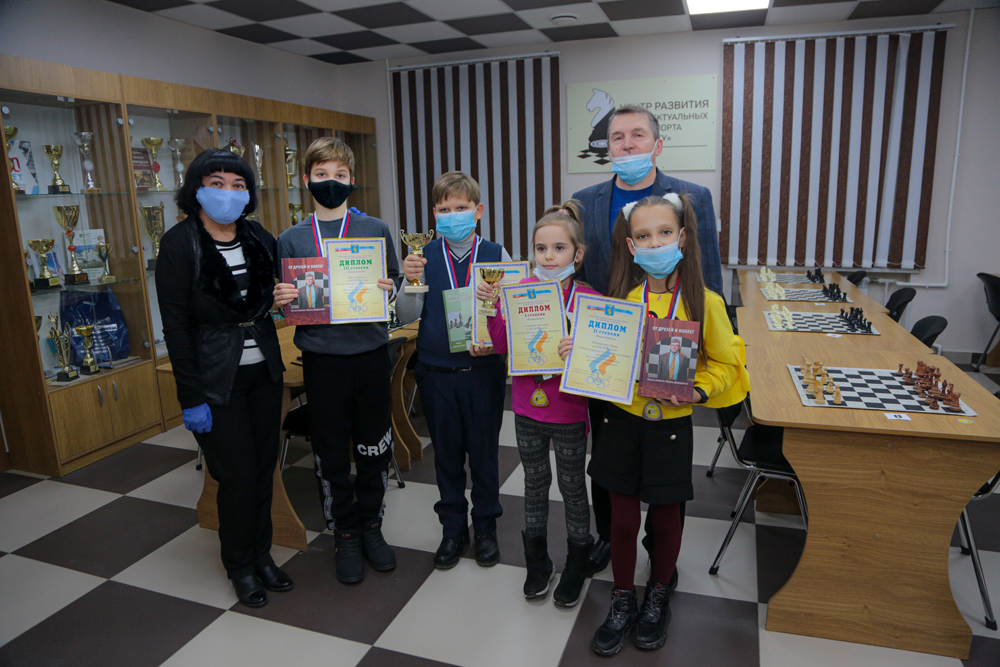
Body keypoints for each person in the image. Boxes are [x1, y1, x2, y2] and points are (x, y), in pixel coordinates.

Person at [558, 194, 748, 655]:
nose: (655, 243)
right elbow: (603, 362)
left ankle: (657, 595)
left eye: (664, 233)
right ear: (630, 245)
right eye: (643, 236)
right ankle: (623, 598)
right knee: (621, 520)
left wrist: (697, 391)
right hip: (621, 422)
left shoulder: (704, 302)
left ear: (682, 237)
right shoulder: (620, 303)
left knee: (665, 520)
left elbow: (729, 365)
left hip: (671, 428)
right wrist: (577, 351)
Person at [571, 104, 726, 576]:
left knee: (666, 467)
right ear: (608, 148)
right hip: (609, 354)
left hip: (671, 354)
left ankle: (663, 554)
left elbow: (709, 277)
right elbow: (574, 274)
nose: (627, 144)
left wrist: (703, 360)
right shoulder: (584, 201)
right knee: (608, 458)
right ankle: (608, 536)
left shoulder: (693, 197)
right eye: (617, 137)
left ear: (657, 144)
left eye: (637, 135)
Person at [156, 148, 290, 608]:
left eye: (238, 185)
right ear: (196, 189)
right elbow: (175, 327)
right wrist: (190, 396)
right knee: (236, 477)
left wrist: (286, 298)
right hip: (217, 381)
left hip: (265, 374)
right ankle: (239, 565)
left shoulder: (258, 235)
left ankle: (262, 554)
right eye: (217, 183)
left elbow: (273, 301)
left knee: (264, 470)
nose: (228, 193)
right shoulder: (179, 243)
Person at [272, 137, 400, 585]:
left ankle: (371, 525)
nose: (331, 182)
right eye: (322, 174)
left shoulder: (374, 229)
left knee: (373, 446)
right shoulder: (291, 238)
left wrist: (389, 289)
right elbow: (284, 302)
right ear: (306, 180)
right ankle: (344, 530)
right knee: (330, 453)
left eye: (340, 174)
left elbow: (394, 285)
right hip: (322, 360)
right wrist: (281, 298)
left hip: (371, 354)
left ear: (352, 179)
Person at [480, 200, 600, 607]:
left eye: (559, 248)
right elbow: (500, 345)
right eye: (541, 248)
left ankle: (577, 562)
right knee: (534, 484)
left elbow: (602, 360)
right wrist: (492, 305)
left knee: (572, 487)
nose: (549, 256)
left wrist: (579, 348)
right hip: (526, 408)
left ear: (577, 254)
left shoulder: (590, 299)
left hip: (569, 410)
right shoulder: (517, 292)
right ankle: (538, 562)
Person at [395, 171, 510, 570]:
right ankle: (452, 529)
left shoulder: (497, 254)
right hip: (436, 371)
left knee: (484, 455)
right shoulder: (423, 256)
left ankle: (486, 528)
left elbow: (510, 314)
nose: (453, 215)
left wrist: (495, 331)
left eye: (461, 207)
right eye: (445, 209)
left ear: (478, 211)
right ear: (434, 215)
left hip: (483, 371)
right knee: (445, 455)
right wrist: (410, 280)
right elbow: (406, 315)